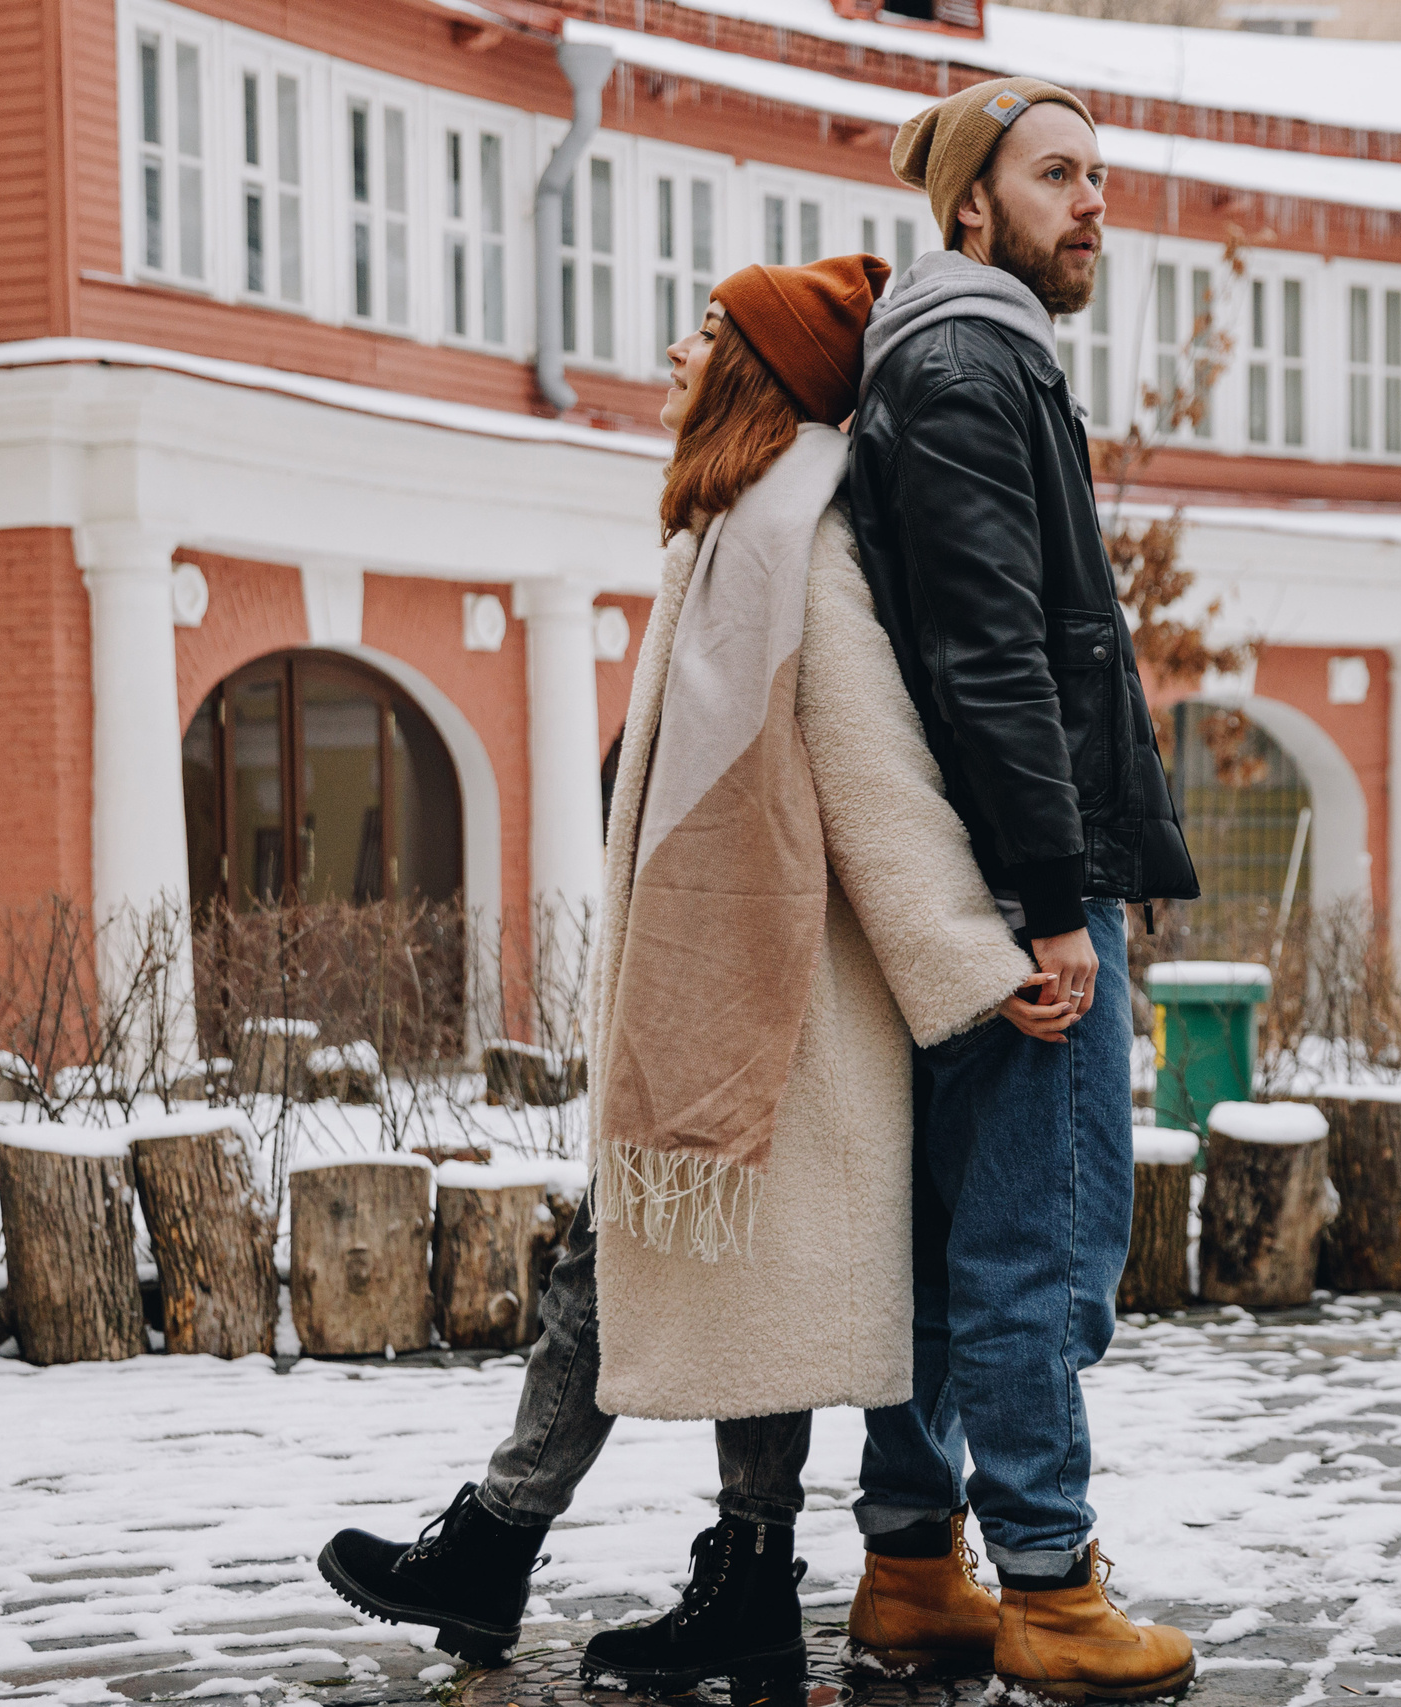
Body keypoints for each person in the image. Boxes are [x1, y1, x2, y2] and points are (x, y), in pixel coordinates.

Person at [316, 254, 1035, 1698]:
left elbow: (877, 777)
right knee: (667, 1267)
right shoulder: (731, 534)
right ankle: (667, 1570)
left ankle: (537, 1545)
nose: (673, 349)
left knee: (656, 1262)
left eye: (706, 333)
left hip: (783, 1025)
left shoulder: (799, 548)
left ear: (759, 374)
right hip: (730, 1006)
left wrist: (976, 961)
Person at [843, 76, 1202, 1704]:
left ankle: (917, 1566)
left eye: (1101, 174)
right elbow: (997, 657)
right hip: (1012, 881)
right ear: (971, 204)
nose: (1093, 200)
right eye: (1059, 173)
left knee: (939, 1239)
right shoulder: (974, 358)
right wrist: (1059, 898)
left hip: (955, 871)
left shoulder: (947, 357)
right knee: (1038, 1242)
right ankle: (1052, 1592)